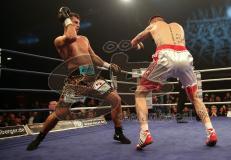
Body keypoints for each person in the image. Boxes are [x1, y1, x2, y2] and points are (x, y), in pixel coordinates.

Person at [27, 7, 130, 151]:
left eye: (79, 23)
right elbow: (70, 37)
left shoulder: (84, 39)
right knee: (60, 113)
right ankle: (39, 137)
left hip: (93, 77)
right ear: (67, 23)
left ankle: (118, 133)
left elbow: (94, 57)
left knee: (116, 100)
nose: (78, 25)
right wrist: (67, 19)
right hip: (75, 80)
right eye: (75, 22)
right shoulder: (60, 40)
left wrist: (108, 65)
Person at [131, 16, 218, 150]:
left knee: (140, 93)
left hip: (165, 55)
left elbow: (134, 41)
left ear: (153, 21)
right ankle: (211, 131)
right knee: (195, 97)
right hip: (184, 55)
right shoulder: (178, 26)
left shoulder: (153, 25)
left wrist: (137, 45)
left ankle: (145, 133)